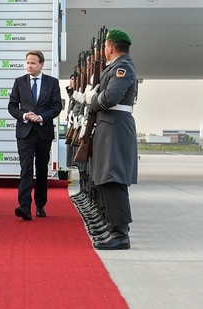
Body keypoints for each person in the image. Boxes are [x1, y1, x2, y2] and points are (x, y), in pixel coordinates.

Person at [85, 29, 138, 250]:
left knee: (114, 179)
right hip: (110, 126)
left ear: (110, 47)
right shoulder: (116, 67)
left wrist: (91, 98)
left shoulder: (122, 68)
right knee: (108, 179)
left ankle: (120, 234)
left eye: (105, 46)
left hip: (115, 126)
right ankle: (114, 228)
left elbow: (109, 98)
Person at [8, 50, 62, 220]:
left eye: (33, 63)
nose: (29, 66)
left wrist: (41, 117)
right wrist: (24, 115)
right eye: (27, 63)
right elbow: (12, 106)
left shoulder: (52, 83)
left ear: (41, 64)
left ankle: (40, 204)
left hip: (43, 132)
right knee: (26, 168)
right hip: (25, 133)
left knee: (41, 168)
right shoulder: (19, 82)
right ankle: (24, 206)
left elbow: (56, 106)